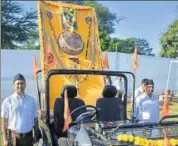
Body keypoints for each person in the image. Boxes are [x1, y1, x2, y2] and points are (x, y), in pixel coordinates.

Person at [1, 73, 39, 146]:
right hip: (14, 138)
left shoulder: (31, 100)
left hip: (28, 137)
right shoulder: (8, 101)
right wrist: (5, 139)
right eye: (18, 84)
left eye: (22, 83)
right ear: (13, 85)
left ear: (25, 85)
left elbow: (35, 119)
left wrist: (36, 135)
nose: (20, 86)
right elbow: (4, 122)